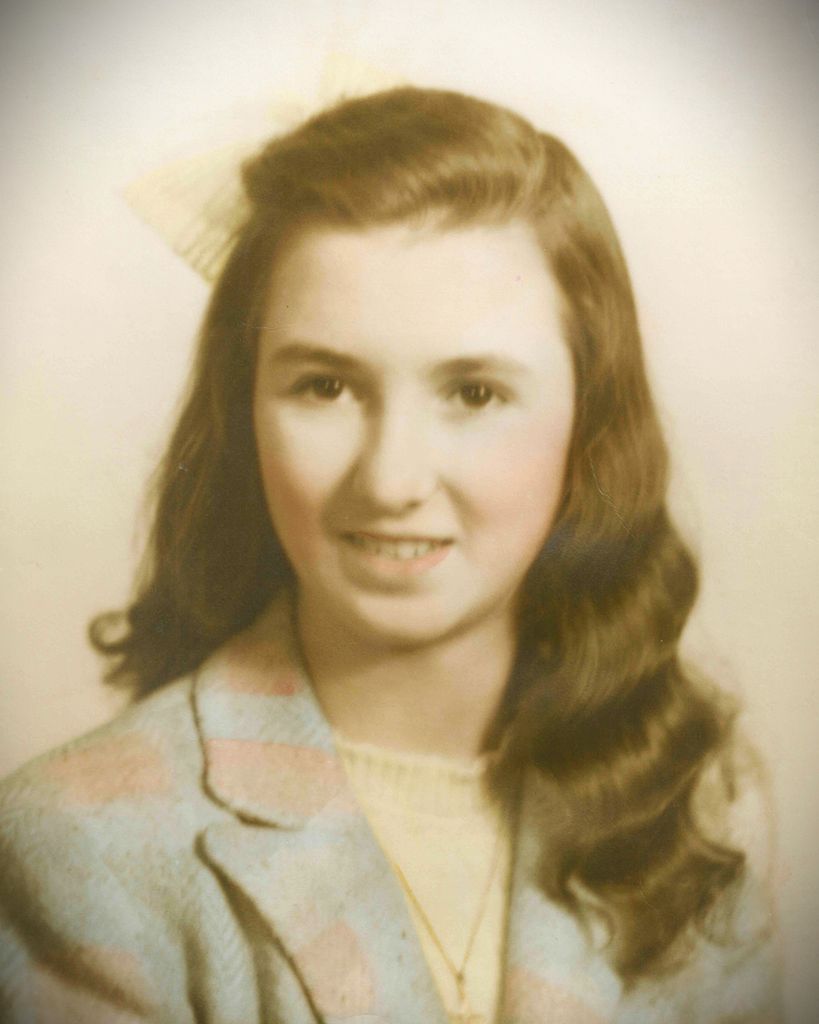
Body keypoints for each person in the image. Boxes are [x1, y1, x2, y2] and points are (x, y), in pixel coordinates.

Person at [0, 86, 782, 1024]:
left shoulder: (694, 796)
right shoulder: (81, 842)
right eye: (325, 386)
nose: (390, 479)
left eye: (474, 393)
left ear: (587, 423)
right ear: (244, 412)